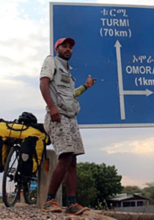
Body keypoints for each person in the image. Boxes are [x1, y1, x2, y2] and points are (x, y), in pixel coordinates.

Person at [40, 37, 96, 214]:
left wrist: (85, 87)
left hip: (71, 118)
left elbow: (71, 95)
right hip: (57, 116)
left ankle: (72, 203)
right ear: (57, 48)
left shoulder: (68, 72)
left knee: (72, 160)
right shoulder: (51, 61)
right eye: (64, 46)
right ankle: (49, 200)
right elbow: (43, 84)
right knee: (65, 156)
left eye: (70, 46)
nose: (68, 48)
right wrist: (51, 107)